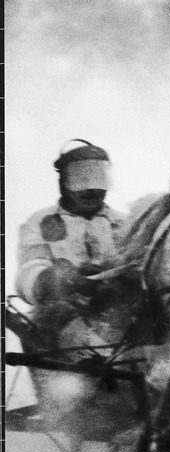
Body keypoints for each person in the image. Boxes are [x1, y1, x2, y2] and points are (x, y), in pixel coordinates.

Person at [16, 139, 127, 347]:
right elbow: (28, 271)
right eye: (81, 179)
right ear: (64, 182)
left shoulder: (125, 223)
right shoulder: (40, 222)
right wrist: (55, 279)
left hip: (119, 322)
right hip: (57, 327)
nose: (91, 190)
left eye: (97, 179)